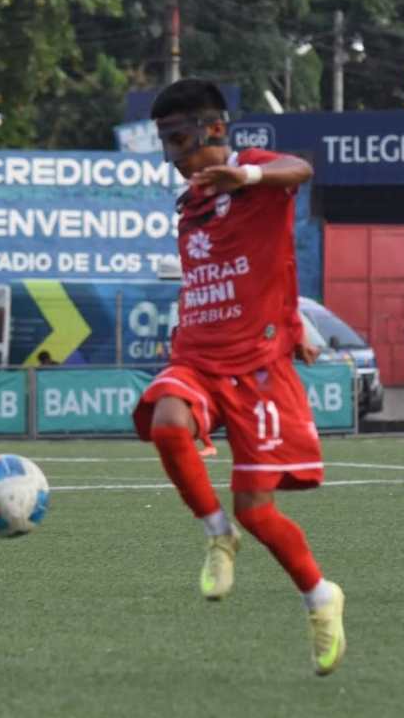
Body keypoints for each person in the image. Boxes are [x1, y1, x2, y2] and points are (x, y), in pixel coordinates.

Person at [130, 79, 345, 676]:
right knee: (168, 426)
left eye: (180, 139)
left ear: (215, 131)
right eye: (164, 142)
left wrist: (244, 177)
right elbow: (261, 263)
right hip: (198, 357)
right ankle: (216, 534)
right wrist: (290, 310)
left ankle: (320, 597)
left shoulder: (250, 170)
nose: (173, 154)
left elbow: (299, 169)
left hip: (256, 370)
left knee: (260, 511)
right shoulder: (189, 206)